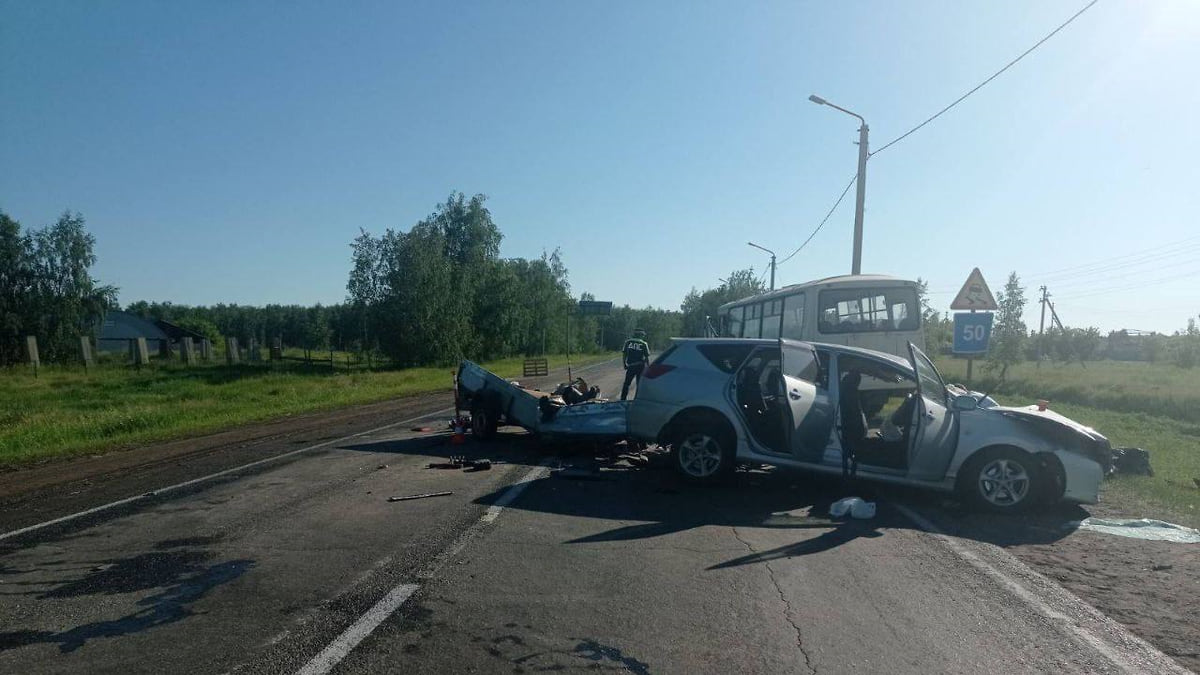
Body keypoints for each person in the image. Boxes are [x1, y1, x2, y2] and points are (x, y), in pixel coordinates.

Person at [620, 328, 651, 400]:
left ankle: (623, 399)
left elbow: (624, 354)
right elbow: (646, 357)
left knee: (626, 383)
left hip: (630, 366)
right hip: (640, 366)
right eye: (643, 335)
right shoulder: (644, 343)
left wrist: (624, 364)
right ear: (641, 335)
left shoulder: (628, 342)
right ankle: (638, 399)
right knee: (639, 384)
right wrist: (648, 367)